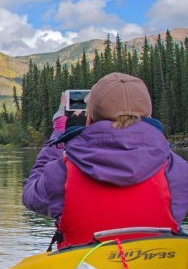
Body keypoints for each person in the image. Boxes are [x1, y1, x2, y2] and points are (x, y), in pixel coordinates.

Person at [23, 72, 188, 249]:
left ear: (89, 118)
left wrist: (59, 132)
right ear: (149, 118)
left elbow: (31, 196)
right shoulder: (177, 168)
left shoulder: (63, 171)